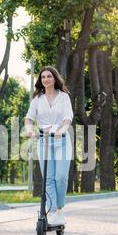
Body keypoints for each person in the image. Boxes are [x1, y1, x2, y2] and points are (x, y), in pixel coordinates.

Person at [25, 66, 73, 226]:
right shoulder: (37, 100)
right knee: (49, 178)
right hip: (44, 140)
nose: (46, 79)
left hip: (61, 140)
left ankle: (60, 209)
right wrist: (30, 130)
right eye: (43, 77)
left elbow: (67, 118)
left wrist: (62, 130)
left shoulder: (64, 97)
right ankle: (51, 212)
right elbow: (29, 119)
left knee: (60, 177)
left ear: (55, 78)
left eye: (49, 76)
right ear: (41, 80)